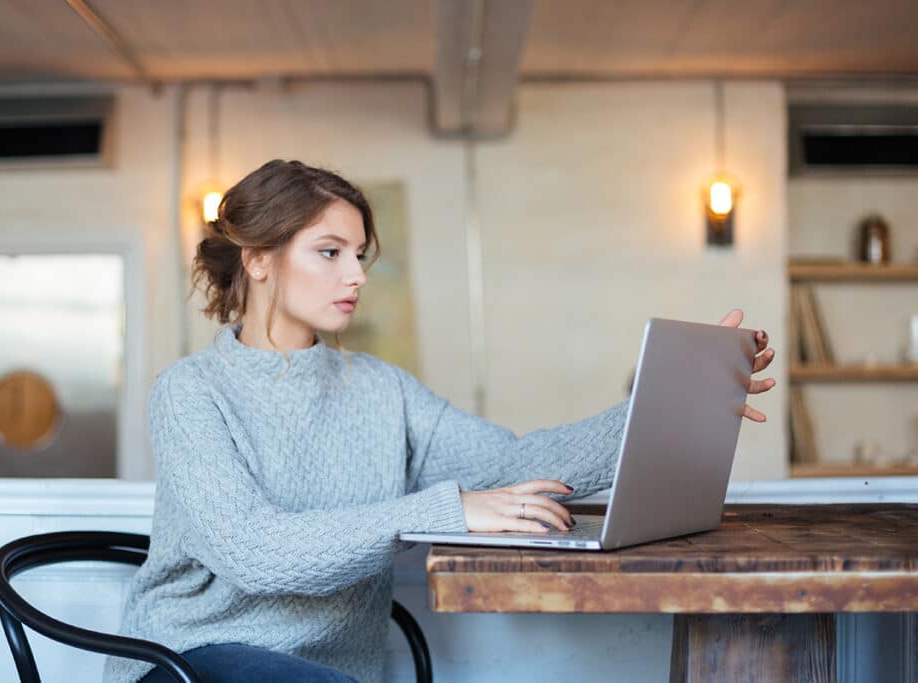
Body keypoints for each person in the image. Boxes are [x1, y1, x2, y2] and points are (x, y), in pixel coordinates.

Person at [105, 159, 777, 683]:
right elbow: (253, 550)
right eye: (329, 251)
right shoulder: (189, 392)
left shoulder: (380, 389)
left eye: (358, 254)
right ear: (257, 259)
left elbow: (510, 466)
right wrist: (446, 510)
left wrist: (662, 408)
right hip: (186, 663)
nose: (357, 274)